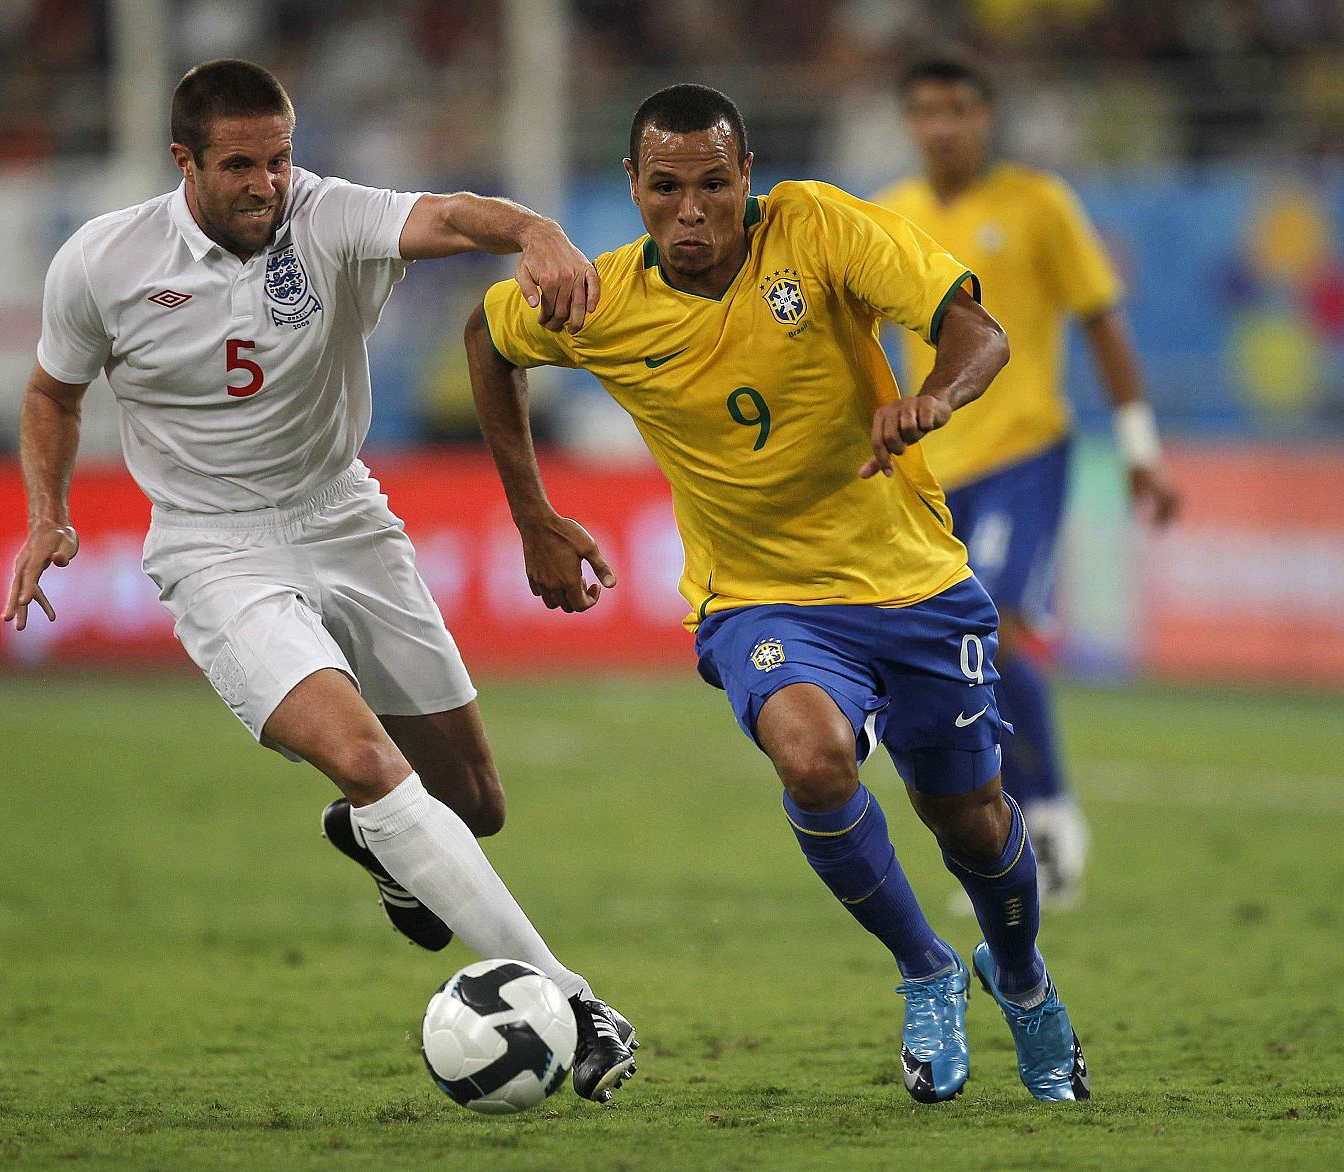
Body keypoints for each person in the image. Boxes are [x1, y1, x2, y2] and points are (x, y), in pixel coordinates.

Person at [0, 58, 637, 1103]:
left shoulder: (327, 215)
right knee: (363, 756)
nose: (267, 184)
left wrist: (535, 231)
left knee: (472, 804)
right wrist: (45, 514)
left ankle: (375, 840)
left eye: (280, 158)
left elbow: (450, 214)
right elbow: (50, 393)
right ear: (185, 164)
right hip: (215, 546)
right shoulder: (103, 262)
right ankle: (573, 999)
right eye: (241, 164)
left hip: (344, 515)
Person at [465, 83, 1088, 1103]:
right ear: (631, 186)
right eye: (665, 188)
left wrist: (931, 397)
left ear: (746, 176)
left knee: (970, 818)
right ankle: (926, 969)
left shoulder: (818, 226)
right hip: (759, 598)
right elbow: (487, 342)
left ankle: (1019, 979)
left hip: (913, 579)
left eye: (713, 183)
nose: (692, 210)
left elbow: (978, 331)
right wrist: (532, 514)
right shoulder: (601, 300)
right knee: (812, 756)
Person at [873, 56, 1179, 908]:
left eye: (960, 108)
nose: (944, 125)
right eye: (927, 109)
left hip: (1024, 453)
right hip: (931, 470)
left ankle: (1047, 818)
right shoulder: (889, 216)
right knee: (949, 651)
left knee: (996, 628)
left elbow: (1102, 322)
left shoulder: (1040, 204)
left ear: (988, 116)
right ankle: (1001, 825)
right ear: (907, 122)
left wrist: (1140, 447)